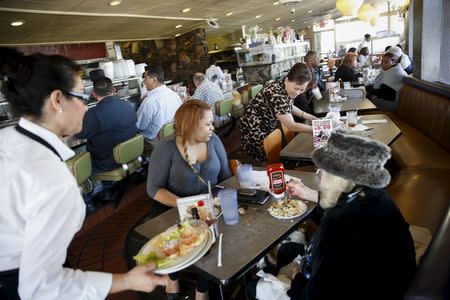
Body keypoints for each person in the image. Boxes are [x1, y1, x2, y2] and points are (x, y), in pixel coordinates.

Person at [0, 48, 167, 299]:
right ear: (57, 100)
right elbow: (41, 288)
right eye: (80, 97)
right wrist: (126, 280)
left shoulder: (6, 140)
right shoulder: (53, 181)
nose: (86, 107)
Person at [249, 130, 417, 300]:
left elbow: (314, 295)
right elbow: (343, 204)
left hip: (370, 289)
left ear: (336, 178)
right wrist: (309, 194)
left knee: (253, 287)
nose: (320, 174)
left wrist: (297, 279)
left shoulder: (337, 227)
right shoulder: (372, 193)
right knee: (287, 249)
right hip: (384, 273)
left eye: (322, 170)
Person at [126, 100, 231, 300]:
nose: (213, 127)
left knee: (213, 238)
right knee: (175, 236)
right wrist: (185, 205)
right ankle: (172, 277)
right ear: (191, 125)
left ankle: (202, 288)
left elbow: (226, 176)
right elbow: (153, 189)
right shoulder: (165, 148)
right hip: (170, 208)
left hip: (209, 206)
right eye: (208, 124)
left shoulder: (214, 140)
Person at [240, 62, 318, 161]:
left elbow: (288, 106)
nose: (298, 93)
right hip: (254, 124)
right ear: (288, 80)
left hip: (266, 122)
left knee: (268, 151)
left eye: (302, 90)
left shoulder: (284, 84)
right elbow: (291, 125)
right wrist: (316, 129)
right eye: (296, 88)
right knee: (261, 156)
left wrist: (309, 116)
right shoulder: (276, 94)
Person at [75, 77, 137, 172]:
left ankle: (97, 186)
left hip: (107, 163)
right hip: (131, 155)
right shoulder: (128, 104)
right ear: (114, 90)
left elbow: (80, 134)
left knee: (76, 152)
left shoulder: (93, 113)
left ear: (94, 94)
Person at [136, 65, 182, 155]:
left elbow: (139, 126)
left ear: (154, 79)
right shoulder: (174, 95)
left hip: (155, 143)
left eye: (146, 78)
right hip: (174, 138)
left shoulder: (149, 101)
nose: (144, 82)